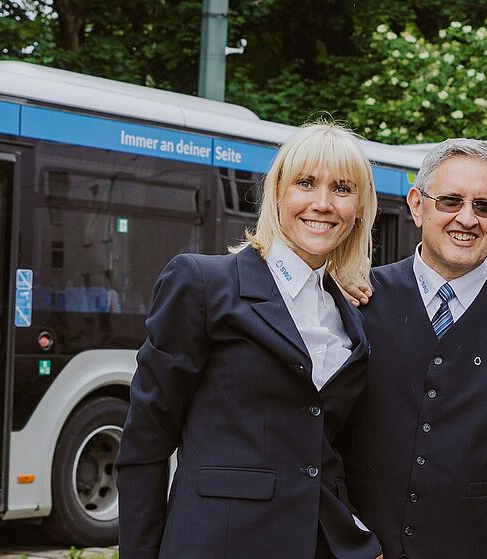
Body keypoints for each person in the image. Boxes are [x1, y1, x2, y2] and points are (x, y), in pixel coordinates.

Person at [117, 121, 382, 559]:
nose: (322, 202)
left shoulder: (349, 312)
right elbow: (146, 441)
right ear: (277, 192)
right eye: (305, 183)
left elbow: (323, 448)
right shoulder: (202, 283)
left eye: (342, 189)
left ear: (359, 208)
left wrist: (354, 536)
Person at [338, 139, 487, 558]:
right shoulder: (356, 299)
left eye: (485, 207)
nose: (466, 218)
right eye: (450, 201)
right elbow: (318, 443)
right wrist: (351, 538)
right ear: (417, 205)